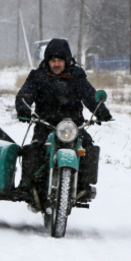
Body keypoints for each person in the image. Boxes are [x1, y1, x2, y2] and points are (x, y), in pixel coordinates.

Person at [15, 38, 112, 204]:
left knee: (88, 148)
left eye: (60, 60)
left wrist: (101, 111)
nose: (57, 64)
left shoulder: (77, 76)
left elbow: (89, 95)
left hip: (73, 127)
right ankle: (27, 187)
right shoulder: (37, 76)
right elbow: (25, 94)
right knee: (33, 150)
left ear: (67, 61)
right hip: (45, 125)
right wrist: (23, 108)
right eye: (53, 60)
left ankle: (83, 186)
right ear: (47, 61)